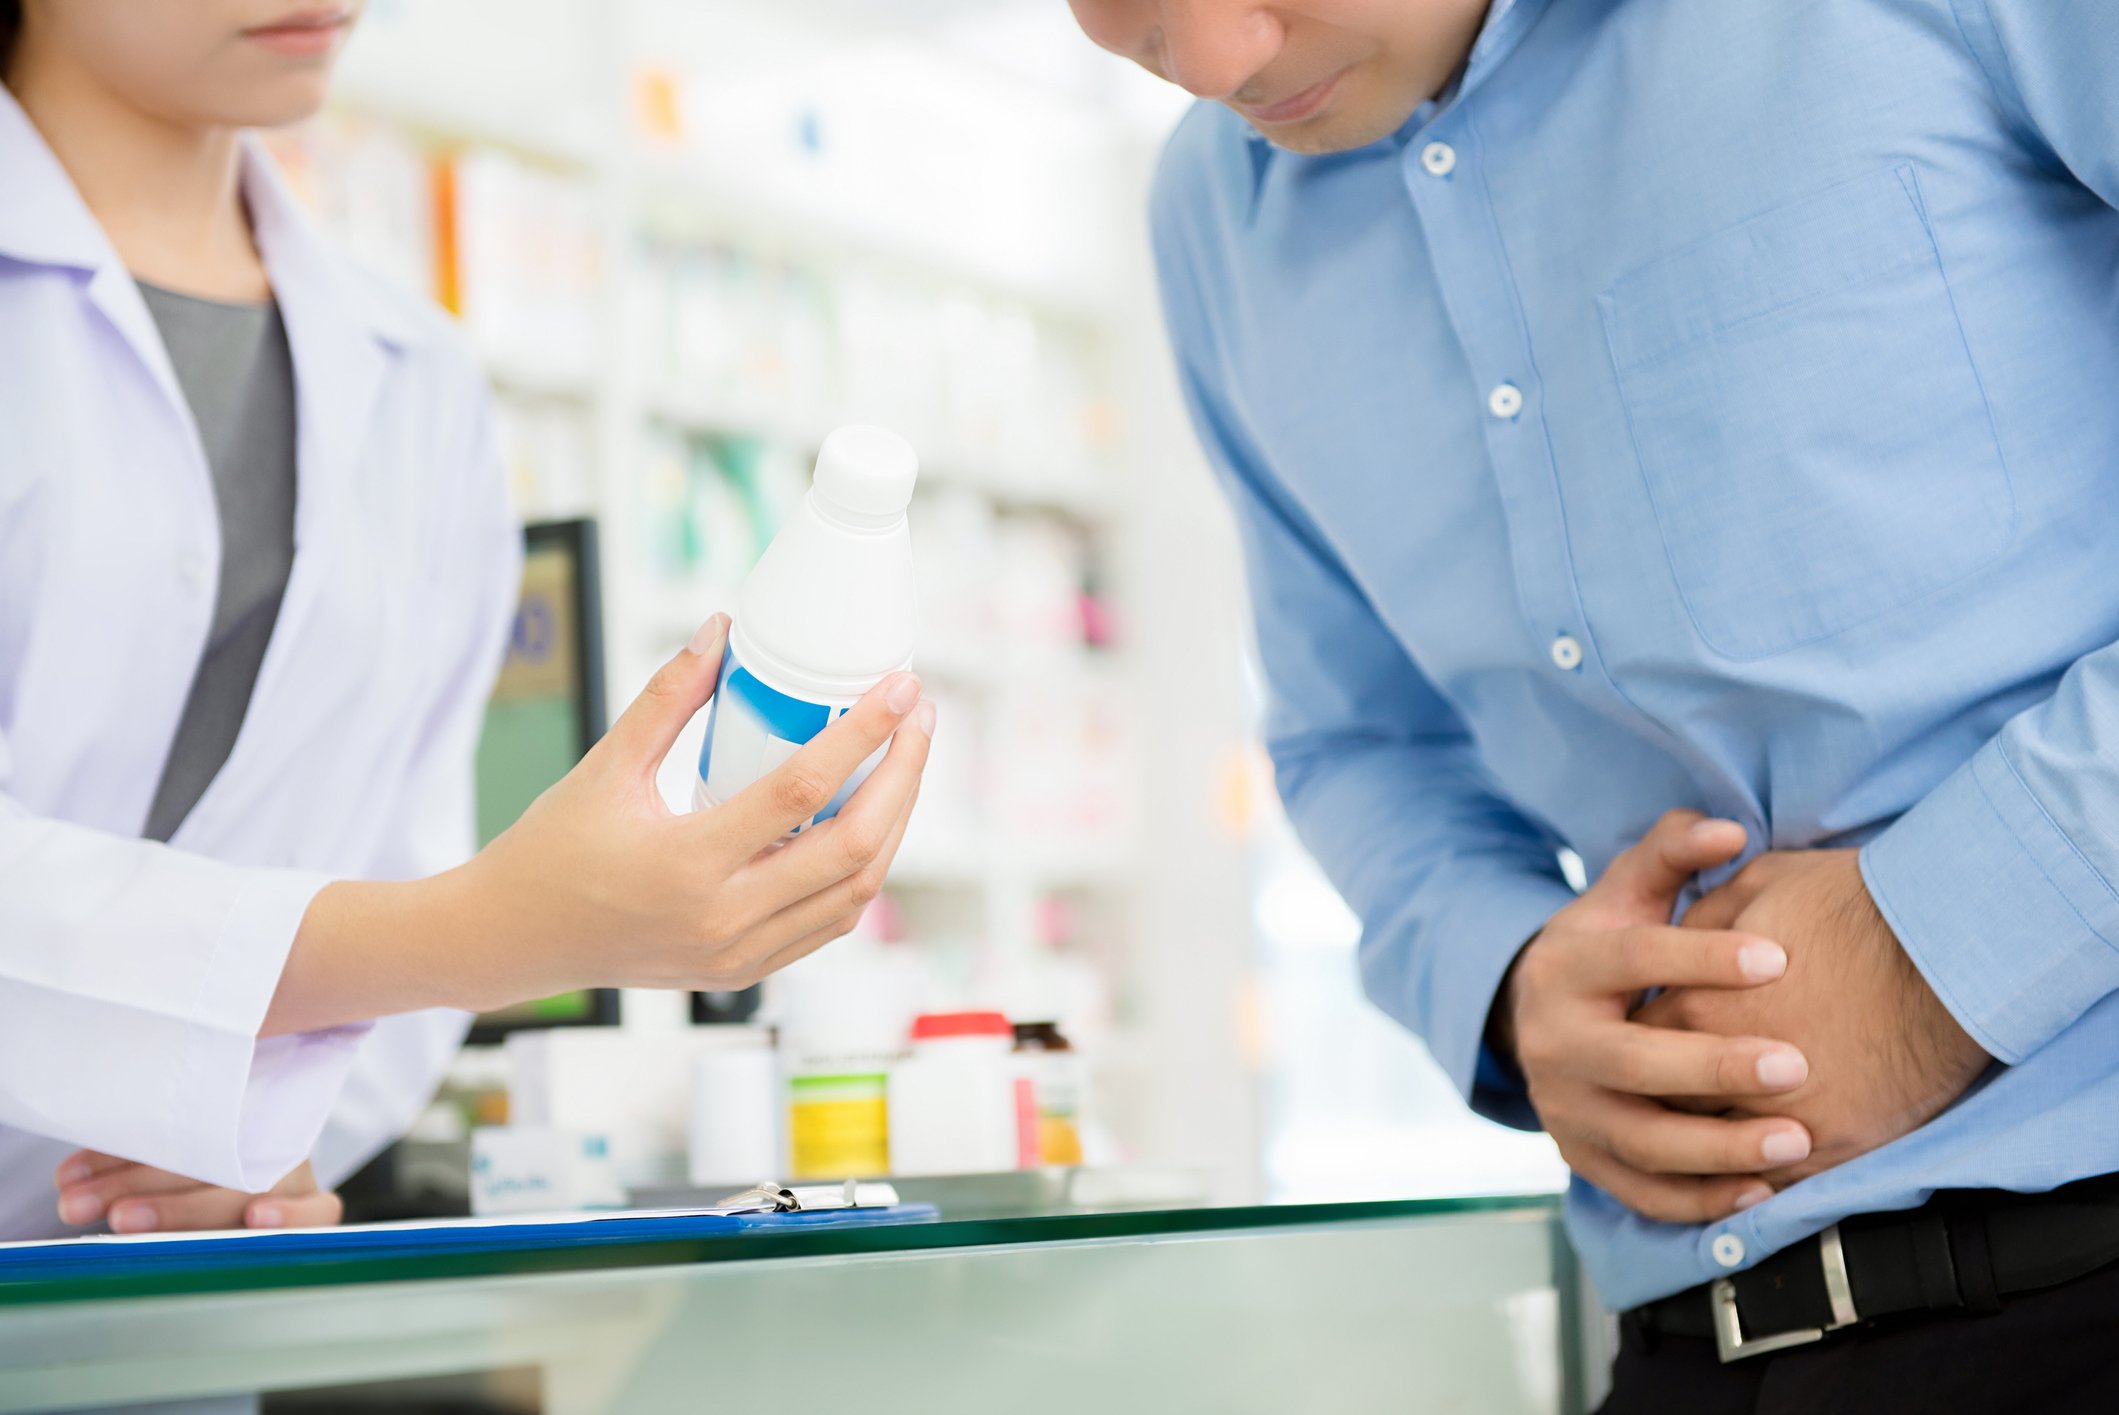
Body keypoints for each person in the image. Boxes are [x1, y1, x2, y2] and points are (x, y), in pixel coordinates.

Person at [1072, 0, 2119, 1407]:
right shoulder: (1209, 218)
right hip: (1687, 1343)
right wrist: (1510, 986)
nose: (1205, 63)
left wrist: (1942, 941)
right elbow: (1359, 736)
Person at [0, 0, 933, 1243]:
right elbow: (428, 913)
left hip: (161, 1307)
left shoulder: (415, 378)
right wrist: (490, 929)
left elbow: (398, 846)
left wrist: (267, 1153)